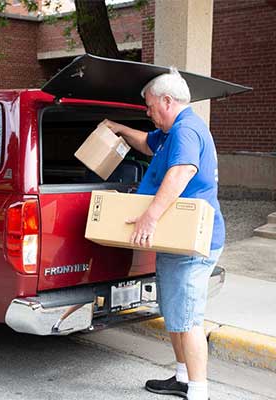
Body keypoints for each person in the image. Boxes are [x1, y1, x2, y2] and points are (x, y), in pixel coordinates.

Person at [102, 67, 224, 400]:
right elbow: (145, 142)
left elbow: (182, 172)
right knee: (174, 311)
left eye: (150, 106)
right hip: (177, 242)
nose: (148, 112)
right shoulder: (171, 132)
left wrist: (149, 217)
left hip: (192, 243)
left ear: (167, 101)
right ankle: (182, 377)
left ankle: (198, 391)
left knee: (188, 317)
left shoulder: (186, 132)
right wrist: (118, 129)